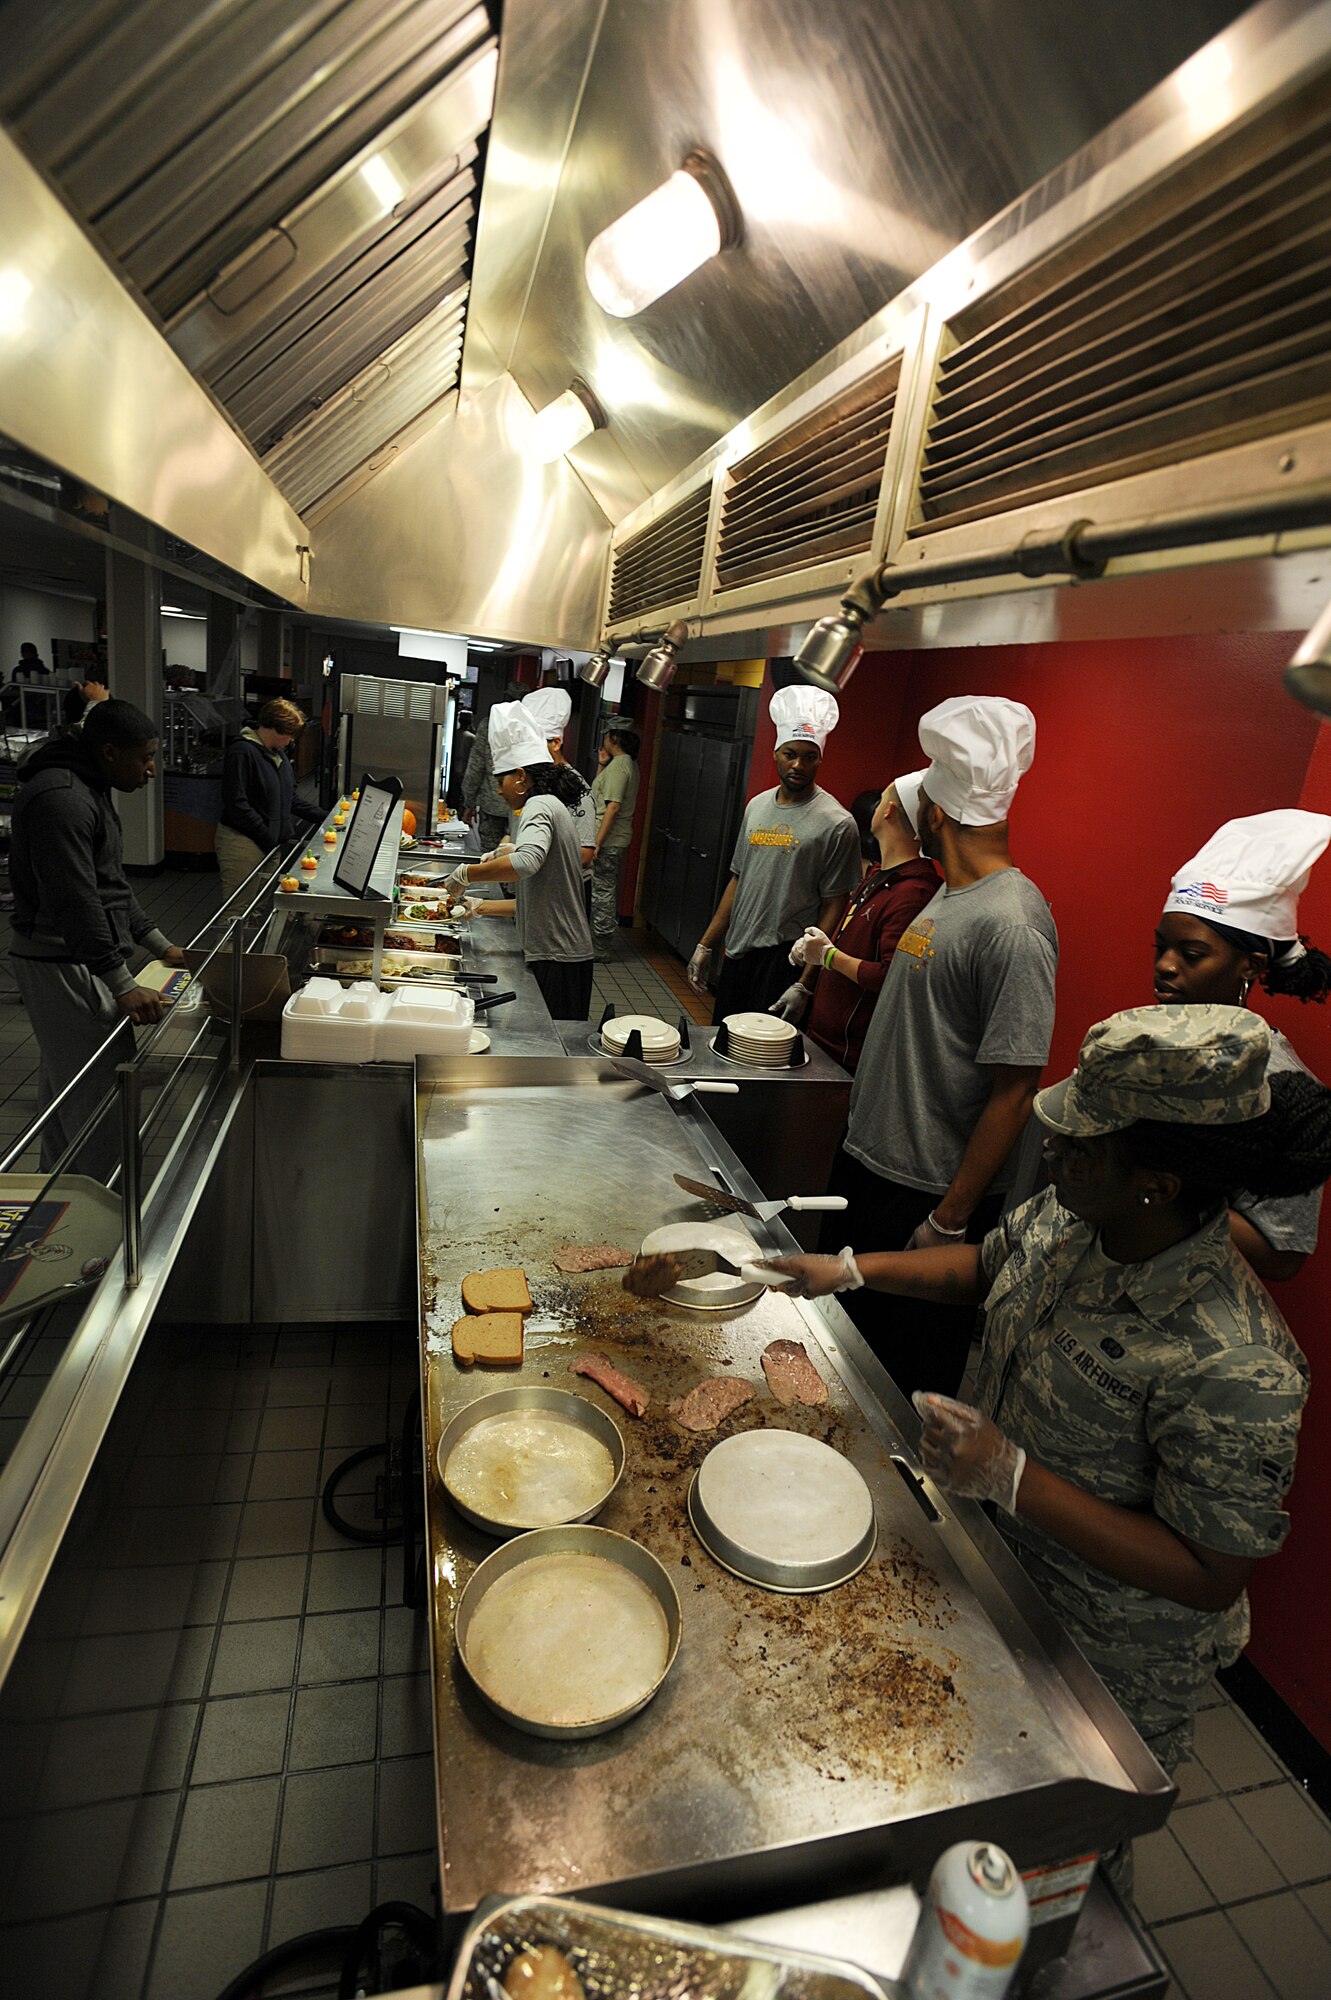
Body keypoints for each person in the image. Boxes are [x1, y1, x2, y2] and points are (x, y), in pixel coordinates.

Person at [746, 1005, 1329, 1846]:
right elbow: (985, 1266)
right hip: (994, 1578)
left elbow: (1209, 1572)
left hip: (1095, 1661)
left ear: (1157, 1184)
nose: (1049, 1149)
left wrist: (1011, 1476)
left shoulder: (1236, 1362)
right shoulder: (1078, 1214)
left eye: (1078, 1144)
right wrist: (846, 1270)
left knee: (1054, 1854)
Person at [830, 695, 1055, 1399]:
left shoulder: (1013, 922)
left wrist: (948, 1220)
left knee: (897, 1387)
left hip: (926, 1197)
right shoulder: (950, 896)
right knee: (843, 1362)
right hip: (875, 1167)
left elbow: (1015, 1091)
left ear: (934, 813)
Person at [1154, 810, 1331, 1283]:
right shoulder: (1141, 1044)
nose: (1166, 966)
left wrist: (1155, 1189)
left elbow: (1281, 1256)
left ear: (1250, 967)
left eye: (1191, 954)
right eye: (1160, 948)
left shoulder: (1278, 1083)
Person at [10, 699, 184, 1177]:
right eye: (145, 757)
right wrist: (122, 983)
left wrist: (161, 946)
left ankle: (60, 1196)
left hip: (75, 958)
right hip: (61, 961)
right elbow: (76, 899)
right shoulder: (62, 798)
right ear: (109, 752)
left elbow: (110, 885)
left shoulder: (88, 787)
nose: (152, 770)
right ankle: (102, 1208)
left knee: (66, 1093)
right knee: (99, 1101)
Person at [688, 686, 860, 1019]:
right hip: (738, 952)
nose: (798, 765)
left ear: (820, 759)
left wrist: (805, 983)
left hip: (786, 959)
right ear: (775, 753)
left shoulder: (837, 823)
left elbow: (834, 905)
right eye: (790, 754)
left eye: (809, 757)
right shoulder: (756, 806)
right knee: (724, 1040)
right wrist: (706, 944)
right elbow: (738, 879)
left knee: (767, 1048)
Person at [783, 768, 939, 1072]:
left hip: (850, 1055)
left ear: (888, 811)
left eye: (881, 800)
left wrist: (828, 956)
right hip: (824, 1038)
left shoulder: (913, 893)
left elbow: (891, 976)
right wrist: (818, 959)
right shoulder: (880, 875)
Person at [447, 703, 595, 1019]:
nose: (498, 791)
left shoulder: (538, 805)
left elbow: (527, 863)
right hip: (564, 955)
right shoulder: (549, 803)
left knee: (555, 1043)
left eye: (499, 781)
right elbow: (540, 899)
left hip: (559, 957)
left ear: (520, 777)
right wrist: (481, 906)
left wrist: (466, 873)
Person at [215, 698, 317, 902]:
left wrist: (327, 816)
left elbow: (290, 800)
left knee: (259, 905)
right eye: (290, 734)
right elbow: (237, 804)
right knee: (238, 908)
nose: (291, 740)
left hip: (269, 842)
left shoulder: (277, 755)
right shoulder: (242, 752)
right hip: (243, 842)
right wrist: (267, 835)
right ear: (276, 729)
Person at [521, 687, 597, 906]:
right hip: (539, 886)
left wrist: (531, 856)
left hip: (567, 893)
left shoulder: (576, 788)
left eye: (536, 744)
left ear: (556, 743)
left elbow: (585, 854)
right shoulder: (536, 779)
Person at [590, 724, 641, 956]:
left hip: (610, 839)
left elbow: (612, 806)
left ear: (615, 739)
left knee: (603, 891)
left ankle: (601, 947)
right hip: (610, 837)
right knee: (601, 888)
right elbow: (597, 795)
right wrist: (602, 764)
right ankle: (597, 942)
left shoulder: (620, 766)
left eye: (607, 736)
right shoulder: (620, 764)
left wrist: (597, 842)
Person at [463, 686, 527, 854]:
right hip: (521, 803)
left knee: (489, 855)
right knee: (516, 853)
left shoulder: (489, 724)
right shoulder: (530, 725)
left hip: (492, 803)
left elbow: (476, 767)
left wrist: (469, 802)